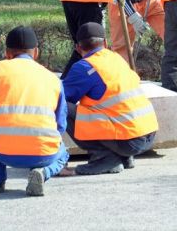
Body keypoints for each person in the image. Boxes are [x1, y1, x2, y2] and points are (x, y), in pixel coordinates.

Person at [0, 26, 72, 196]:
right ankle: (42, 172)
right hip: (42, 154)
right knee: (63, 154)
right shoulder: (53, 79)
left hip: (1, 152)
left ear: (8, 54)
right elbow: (60, 125)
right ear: (36, 53)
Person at [62, 22, 158, 175]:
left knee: (61, 106)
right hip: (148, 134)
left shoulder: (85, 67)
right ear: (105, 43)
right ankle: (123, 156)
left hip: (128, 139)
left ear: (78, 48)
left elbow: (61, 96)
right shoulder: (117, 58)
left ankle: (105, 158)